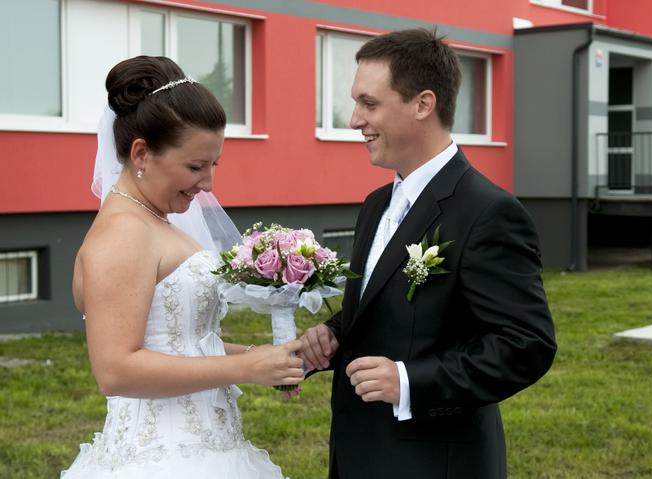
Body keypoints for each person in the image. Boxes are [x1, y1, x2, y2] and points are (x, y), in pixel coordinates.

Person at [298, 29, 557, 479]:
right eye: (356, 103)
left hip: (435, 462)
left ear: (423, 104)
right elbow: (390, 306)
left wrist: (409, 382)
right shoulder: (375, 204)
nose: (355, 120)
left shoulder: (488, 212)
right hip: (358, 454)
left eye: (369, 103)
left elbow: (525, 345)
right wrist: (335, 333)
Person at [61, 56, 303, 478]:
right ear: (141, 153)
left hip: (209, 448)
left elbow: (180, 343)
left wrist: (262, 358)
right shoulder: (122, 234)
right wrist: (244, 368)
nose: (208, 184)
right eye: (195, 167)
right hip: (159, 460)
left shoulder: (153, 221)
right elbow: (116, 370)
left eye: (213, 165)